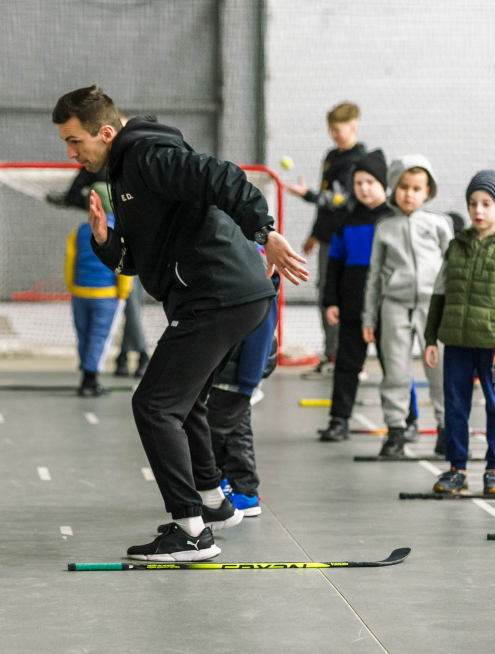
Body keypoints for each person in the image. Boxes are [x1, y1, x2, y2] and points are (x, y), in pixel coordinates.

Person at [52, 85, 308, 561]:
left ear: (105, 133)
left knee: (153, 405)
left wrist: (265, 231)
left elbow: (222, 176)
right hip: (224, 295)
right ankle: (213, 504)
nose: (70, 153)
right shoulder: (125, 169)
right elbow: (137, 258)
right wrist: (106, 241)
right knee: (184, 402)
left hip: (219, 294)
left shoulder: (149, 154)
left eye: (74, 141)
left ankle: (190, 532)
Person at [424, 171, 495, 495]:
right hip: (456, 344)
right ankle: (456, 469)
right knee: (455, 407)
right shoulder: (456, 246)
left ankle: (494, 470)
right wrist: (430, 338)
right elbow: (439, 294)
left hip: (493, 347)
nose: (478, 210)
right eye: (473, 203)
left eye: (486, 203)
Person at [362, 156, 451, 458]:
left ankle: (445, 429)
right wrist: (368, 316)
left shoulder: (438, 224)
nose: (409, 194)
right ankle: (396, 430)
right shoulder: (384, 227)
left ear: (427, 191)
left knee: (438, 371)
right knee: (396, 371)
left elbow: (452, 267)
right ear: (393, 188)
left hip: (433, 309)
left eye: (416, 188)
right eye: (403, 187)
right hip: (395, 307)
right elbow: (374, 275)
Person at [284, 102, 366, 375]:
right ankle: (332, 356)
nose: (335, 135)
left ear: (354, 126)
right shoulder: (331, 156)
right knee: (326, 293)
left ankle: (349, 357)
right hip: (330, 238)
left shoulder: (359, 159)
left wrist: (305, 194)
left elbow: (338, 199)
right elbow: (326, 202)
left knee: (349, 295)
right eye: (331, 130)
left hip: (353, 238)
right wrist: (315, 234)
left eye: (339, 130)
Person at [318, 149, 394, 441]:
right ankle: (339, 420)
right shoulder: (346, 221)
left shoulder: (392, 220)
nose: (363, 188)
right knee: (347, 365)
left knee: (394, 366)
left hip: (387, 308)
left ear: (383, 185)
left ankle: (405, 420)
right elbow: (334, 265)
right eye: (358, 183)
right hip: (351, 306)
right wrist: (331, 301)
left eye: (370, 183)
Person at [210, 269, 279, 517]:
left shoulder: (259, 287)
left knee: (221, 431)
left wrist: (248, 382)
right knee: (234, 428)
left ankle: (245, 492)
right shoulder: (243, 280)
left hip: (237, 378)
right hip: (228, 374)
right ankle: (237, 487)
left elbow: (260, 339)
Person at [65, 182, 132, 396]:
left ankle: (85, 374)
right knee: (101, 337)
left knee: (83, 335)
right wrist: (123, 292)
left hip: (80, 293)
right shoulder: (119, 230)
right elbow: (123, 265)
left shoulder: (79, 232)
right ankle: (90, 379)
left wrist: (72, 287)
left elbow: (70, 262)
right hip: (106, 295)